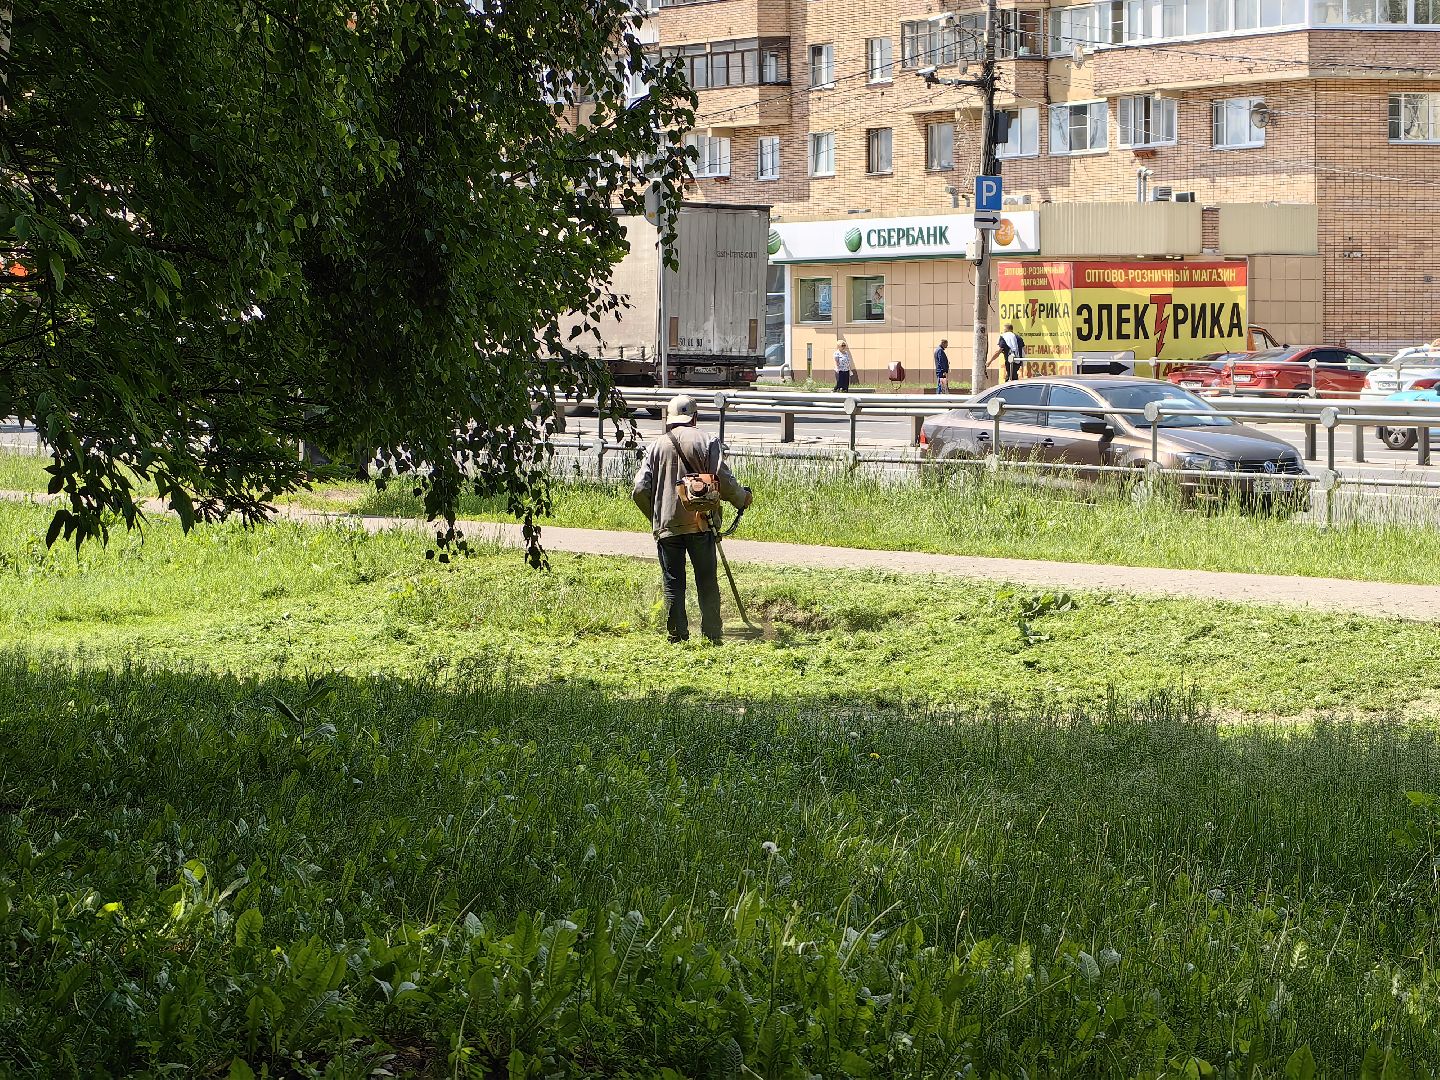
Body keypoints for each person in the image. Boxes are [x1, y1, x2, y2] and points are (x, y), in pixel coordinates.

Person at [632, 395, 752, 644]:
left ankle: (677, 635)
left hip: (667, 526)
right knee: (706, 580)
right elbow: (724, 480)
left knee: (674, 583)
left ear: (669, 419)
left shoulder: (656, 446)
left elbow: (639, 489)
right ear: (694, 418)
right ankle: (711, 634)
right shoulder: (708, 440)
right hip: (702, 522)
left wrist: (656, 517)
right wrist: (742, 499)